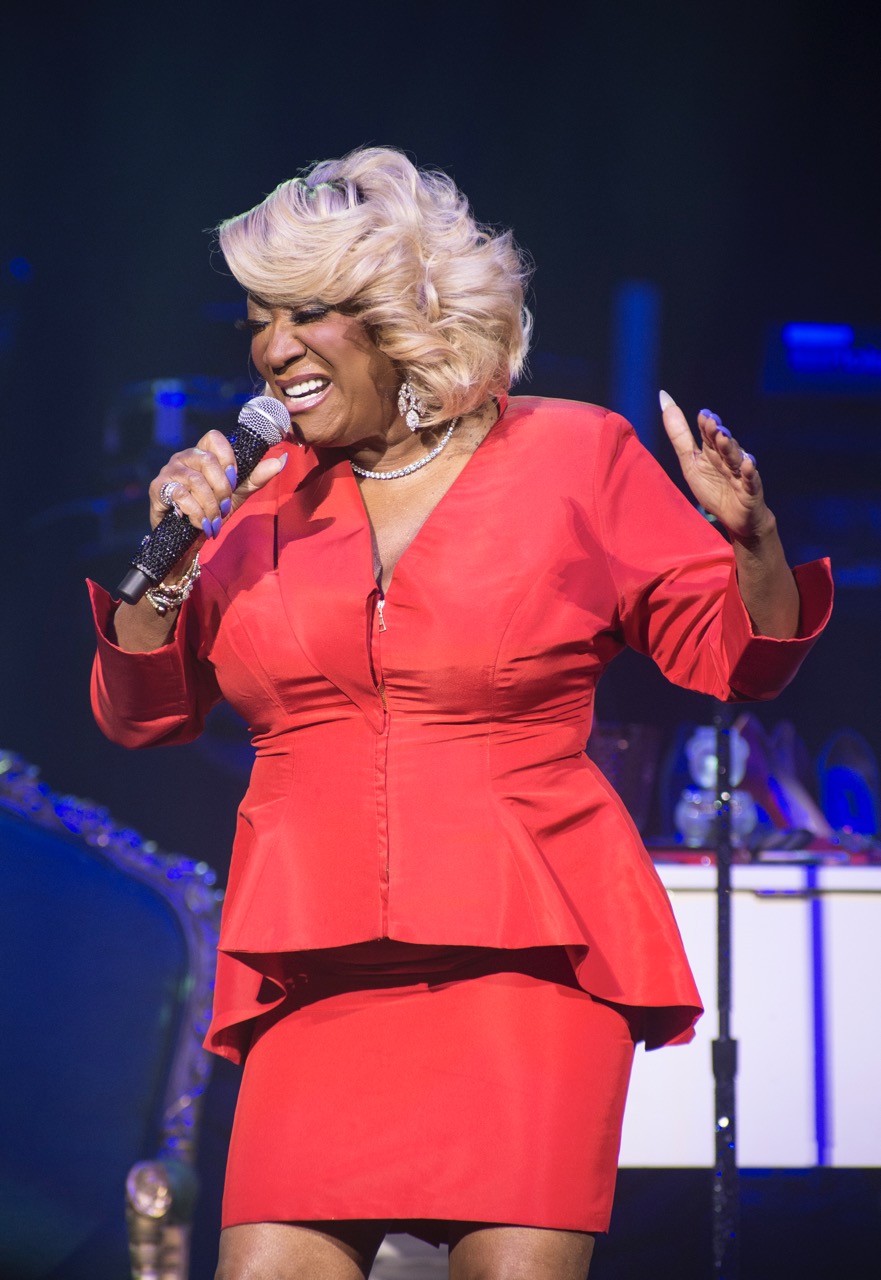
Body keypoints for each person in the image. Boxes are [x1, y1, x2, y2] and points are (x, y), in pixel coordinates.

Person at [89, 147, 832, 1280]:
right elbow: (142, 716)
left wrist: (753, 543)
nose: (272, 348)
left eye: (306, 313)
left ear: (402, 317)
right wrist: (171, 560)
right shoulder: (255, 504)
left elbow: (737, 657)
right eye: (259, 320)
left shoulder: (573, 455)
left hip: (525, 959)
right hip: (314, 970)